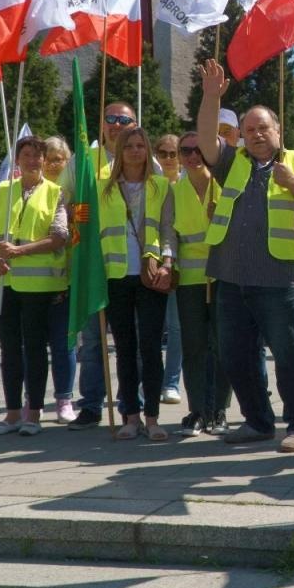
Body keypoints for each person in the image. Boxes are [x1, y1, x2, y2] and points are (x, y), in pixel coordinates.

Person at [195, 60, 294, 451]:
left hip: (282, 277)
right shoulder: (232, 162)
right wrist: (212, 96)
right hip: (232, 277)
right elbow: (204, 138)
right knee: (236, 355)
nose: (257, 135)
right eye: (249, 130)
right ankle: (257, 421)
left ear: (278, 131)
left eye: (263, 128)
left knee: (290, 354)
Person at [0, 134, 69, 438]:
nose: (32, 160)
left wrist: (21, 251)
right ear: (17, 159)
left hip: (38, 284)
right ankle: (12, 412)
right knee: (9, 349)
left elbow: (59, 237)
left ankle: (34, 413)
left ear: (44, 160)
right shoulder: (2, 191)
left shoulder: (55, 193)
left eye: (37, 155)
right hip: (3, 281)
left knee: (34, 348)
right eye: (26, 154)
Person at [99, 127, 176, 441]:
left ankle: (153, 417)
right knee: (125, 349)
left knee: (150, 347)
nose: (134, 151)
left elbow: (170, 228)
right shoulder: (102, 187)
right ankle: (130, 415)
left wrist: (168, 261)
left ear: (148, 151)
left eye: (140, 146)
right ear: (119, 152)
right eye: (128, 146)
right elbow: (85, 225)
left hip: (150, 274)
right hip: (115, 274)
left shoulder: (160, 185)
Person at [68, 103, 137, 427]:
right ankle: (92, 405)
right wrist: (74, 213)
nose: (117, 125)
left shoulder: (140, 157)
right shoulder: (84, 160)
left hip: (129, 269)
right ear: (101, 125)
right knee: (93, 341)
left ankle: (129, 405)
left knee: (129, 342)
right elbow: (64, 201)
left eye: (125, 120)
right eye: (110, 118)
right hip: (95, 265)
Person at [171, 130, 231, 434]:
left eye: (198, 150)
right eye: (185, 151)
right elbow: (168, 233)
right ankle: (196, 410)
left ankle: (219, 409)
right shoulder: (174, 190)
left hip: (222, 276)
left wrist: (221, 216)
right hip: (189, 281)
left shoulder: (224, 186)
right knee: (193, 346)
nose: (193, 156)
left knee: (223, 345)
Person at [39, 136, 78, 423]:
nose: (54, 164)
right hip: (35, 278)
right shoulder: (33, 191)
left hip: (66, 277)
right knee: (36, 345)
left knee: (65, 343)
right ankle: (34, 400)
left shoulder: (73, 195)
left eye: (59, 159)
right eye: (49, 158)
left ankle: (64, 398)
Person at [153, 133, 185, 409]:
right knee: (150, 328)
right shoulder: (151, 183)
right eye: (162, 153)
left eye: (173, 153)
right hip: (154, 263)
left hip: (181, 265)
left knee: (176, 328)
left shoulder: (187, 182)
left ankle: (171, 382)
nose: (168, 158)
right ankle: (147, 382)